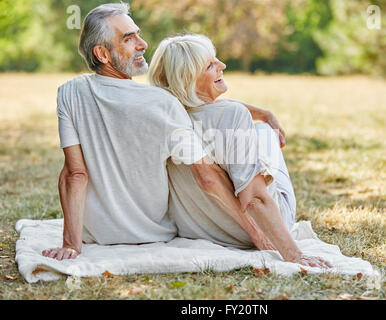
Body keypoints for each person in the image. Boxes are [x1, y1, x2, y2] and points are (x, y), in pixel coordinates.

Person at [41, 3, 274, 261]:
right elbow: (207, 177)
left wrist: (70, 244)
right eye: (129, 39)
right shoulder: (161, 101)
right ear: (102, 54)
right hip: (153, 233)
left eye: (138, 34)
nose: (142, 44)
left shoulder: (69, 93)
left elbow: (75, 174)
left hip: (96, 235)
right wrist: (260, 237)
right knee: (264, 135)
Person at [148, 34, 332, 268]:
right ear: (189, 79)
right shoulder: (233, 116)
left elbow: (206, 108)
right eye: (210, 65)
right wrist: (293, 254)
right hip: (258, 232)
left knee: (257, 128)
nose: (222, 65)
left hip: (201, 230)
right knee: (265, 133)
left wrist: (264, 113)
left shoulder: (164, 116)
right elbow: (254, 198)